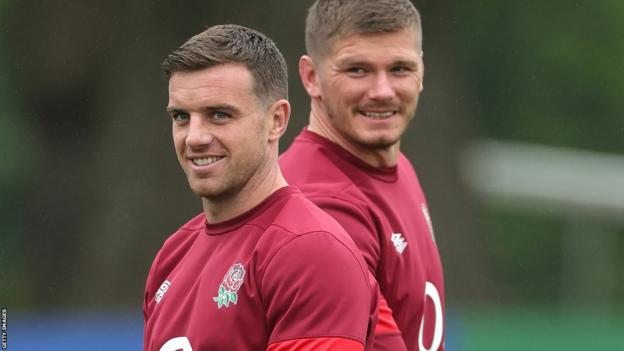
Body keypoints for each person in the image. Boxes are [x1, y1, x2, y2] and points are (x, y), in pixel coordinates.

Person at [143, 24, 378, 351]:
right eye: (181, 117)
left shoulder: (310, 252)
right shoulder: (173, 254)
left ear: (277, 120)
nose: (194, 137)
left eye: (219, 114)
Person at [279, 1, 445, 350]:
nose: (383, 91)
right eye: (357, 70)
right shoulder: (324, 207)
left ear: (422, 71)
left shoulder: (395, 166)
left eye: (400, 68)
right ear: (312, 77)